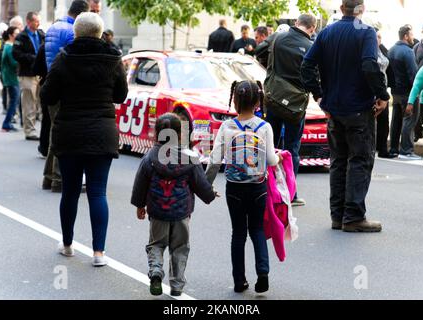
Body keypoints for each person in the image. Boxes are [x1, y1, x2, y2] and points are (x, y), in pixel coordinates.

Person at [40, 12, 128, 266]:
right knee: (98, 193)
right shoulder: (114, 59)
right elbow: (120, 96)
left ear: (76, 33)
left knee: (69, 191)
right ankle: (98, 253)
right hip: (102, 132)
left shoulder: (64, 57)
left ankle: (68, 244)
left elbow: (47, 95)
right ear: (100, 33)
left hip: (70, 132)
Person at [301, 0, 389, 233]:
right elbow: (370, 65)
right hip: (358, 108)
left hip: (335, 108)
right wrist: (382, 95)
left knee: (338, 161)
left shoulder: (326, 33)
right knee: (359, 160)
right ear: (362, 10)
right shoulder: (367, 32)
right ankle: (353, 216)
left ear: (341, 9)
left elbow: (307, 66)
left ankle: (337, 215)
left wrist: (320, 97)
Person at [206, 81, 282, 294]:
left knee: (238, 233)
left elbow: (215, 160)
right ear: (258, 102)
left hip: (235, 188)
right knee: (257, 229)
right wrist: (278, 156)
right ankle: (263, 273)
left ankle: (239, 280)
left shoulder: (227, 127)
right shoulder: (264, 127)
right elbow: (270, 160)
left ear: (235, 101)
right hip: (258, 187)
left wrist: (205, 186)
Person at [131, 113, 216, 297]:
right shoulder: (189, 159)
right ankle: (176, 285)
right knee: (180, 248)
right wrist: (210, 194)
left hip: (158, 212)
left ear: (157, 133)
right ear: (179, 135)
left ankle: (155, 271)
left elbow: (140, 183)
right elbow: (200, 184)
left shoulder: (150, 158)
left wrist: (140, 205)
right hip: (181, 213)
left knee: (156, 244)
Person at [265, 14, 317, 207]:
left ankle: (265, 188)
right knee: (292, 148)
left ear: (296, 23)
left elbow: (262, 50)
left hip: (274, 98)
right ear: (312, 28)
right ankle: (290, 194)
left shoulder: (278, 38)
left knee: (270, 143)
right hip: (296, 104)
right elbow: (313, 75)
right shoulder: (311, 47)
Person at [43, 0, 89, 192]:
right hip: (65, 89)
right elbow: (75, 63)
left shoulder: (53, 27)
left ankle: (48, 176)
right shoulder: (72, 32)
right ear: (80, 15)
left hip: (51, 84)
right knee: (64, 136)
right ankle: (58, 180)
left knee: (56, 132)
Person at [388, 25, 421, 160]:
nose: (413, 37)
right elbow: (413, 75)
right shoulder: (408, 52)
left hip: (395, 92)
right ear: (406, 36)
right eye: (412, 34)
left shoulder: (391, 50)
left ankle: (394, 148)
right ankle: (406, 150)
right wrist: (415, 94)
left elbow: (389, 73)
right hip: (407, 93)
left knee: (396, 120)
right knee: (409, 119)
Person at [12, 12, 45, 141]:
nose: (38, 23)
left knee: (39, 102)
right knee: (29, 103)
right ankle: (29, 131)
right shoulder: (21, 37)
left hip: (40, 74)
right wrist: (32, 58)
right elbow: (16, 54)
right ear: (29, 22)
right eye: (36, 21)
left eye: (39, 21)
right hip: (27, 74)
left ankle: (37, 128)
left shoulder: (42, 34)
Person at [375, 28, 396, 159]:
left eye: (380, 37)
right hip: (371, 90)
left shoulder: (383, 49)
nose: (379, 39)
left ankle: (382, 149)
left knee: (384, 122)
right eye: (377, 37)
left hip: (383, 91)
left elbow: (389, 68)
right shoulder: (364, 49)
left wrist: (389, 87)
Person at [1, 26, 20, 132]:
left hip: (9, 77)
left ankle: (7, 123)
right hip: (11, 77)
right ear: (10, 35)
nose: (18, 35)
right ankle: (6, 123)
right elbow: (14, 62)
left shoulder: (8, 46)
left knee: (14, 101)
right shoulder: (9, 47)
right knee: (14, 101)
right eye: (16, 33)